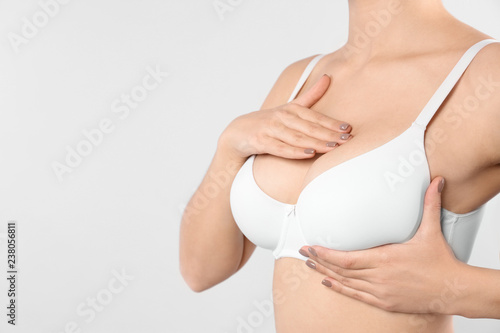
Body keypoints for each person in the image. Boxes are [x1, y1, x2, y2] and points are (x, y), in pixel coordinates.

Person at [179, 0, 500, 331]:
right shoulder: (300, 77)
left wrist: (455, 290)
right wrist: (230, 145)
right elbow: (200, 272)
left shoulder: (488, 76)